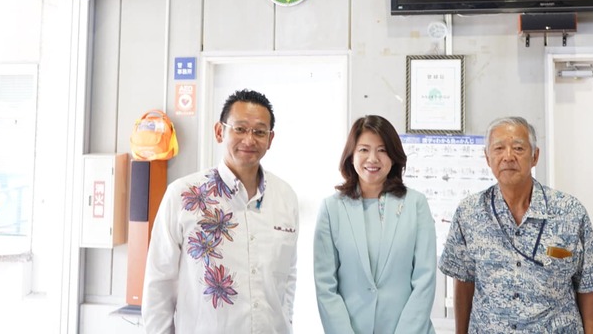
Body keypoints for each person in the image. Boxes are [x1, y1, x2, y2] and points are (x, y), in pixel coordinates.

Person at [142, 89, 299, 334]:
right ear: (219, 131)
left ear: (270, 139)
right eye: (240, 128)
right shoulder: (182, 195)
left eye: (259, 131)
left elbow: (288, 278)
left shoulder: (285, 197)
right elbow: (159, 285)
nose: (249, 139)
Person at [438, 116, 593, 333]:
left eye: (518, 148)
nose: (508, 156)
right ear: (487, 158)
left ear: (535, 156)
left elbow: (589, 289)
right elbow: (464, 282)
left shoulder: (570, 212)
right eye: (499, 148)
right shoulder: (469, 213)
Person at [313, 115, 437, 334]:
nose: (373, 158)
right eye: (364, 149)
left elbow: (425, 279)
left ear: (394, 157)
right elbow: (325, 286)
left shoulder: (415, 204)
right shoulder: (332, 209)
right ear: (351, 155)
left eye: (382, 150)